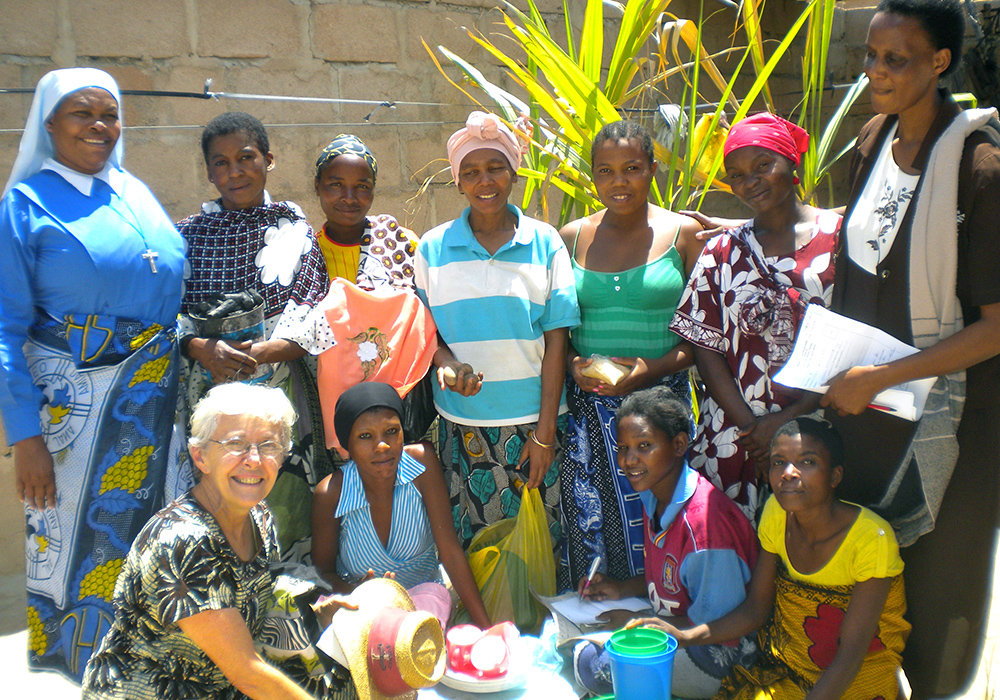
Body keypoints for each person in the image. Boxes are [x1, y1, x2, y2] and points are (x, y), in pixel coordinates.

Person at [820, 0, 1000, 692]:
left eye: (895, 59)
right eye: (870, 56)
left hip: (949, 420)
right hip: (868, 411)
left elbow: (993, 326)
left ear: (940, 63)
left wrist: (883, 376)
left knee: (937, 584)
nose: (875, 72)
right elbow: (862, 241)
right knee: (867, 571)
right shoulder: (874, 138)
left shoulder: (978, 168)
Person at [0, 67, 186, 681]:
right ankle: (84, 664)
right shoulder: (24, 208)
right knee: (78, 538)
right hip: (74, 413)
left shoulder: (133, 190)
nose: (99, 126)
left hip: (155, 400)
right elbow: (5, 329)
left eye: (109, 114)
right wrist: (24, 436)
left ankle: (153, 664)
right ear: (48, 123)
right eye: (82, 113)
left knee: (156, 535)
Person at [82, 383, 354, 699]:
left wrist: (317, 613)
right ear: (200, 456)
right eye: (235, 444)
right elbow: (248, 673)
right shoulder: (184, 543)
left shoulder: (258, 516)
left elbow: (251, 614)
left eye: (268, 446)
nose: (254, 459)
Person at [631, 418, 910, 700]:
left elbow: (851, 655)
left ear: (835, 476)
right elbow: (755, 609)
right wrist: (685, 637)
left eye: (807, 462)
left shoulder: (871, 539)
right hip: (789, 669)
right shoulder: (777, 513)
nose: (788, 473)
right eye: (778, 462)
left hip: (857, 680)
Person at [414, 111, 581, 550]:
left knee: (540, 548)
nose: (484, 181)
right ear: (458, 182)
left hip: (535, 425)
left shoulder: (545, 242)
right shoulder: (432, 248)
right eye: (470, 172)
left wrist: (545, 434)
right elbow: (425, 332)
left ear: (513, 174)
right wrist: (447, 364)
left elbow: (557, 341)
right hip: (462, 425)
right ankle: (486, 624)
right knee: (482, 546)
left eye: (495, 169)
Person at [669, 113, 841, 521]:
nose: (750, 182)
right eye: (738, 175)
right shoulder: (722, 251)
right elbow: (705, 348)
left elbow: (850, 340)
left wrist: (786, 421)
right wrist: (754, 429)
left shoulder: (839, 241)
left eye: (763, 166)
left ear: (791, 164)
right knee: (735, 554)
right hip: (735, 436)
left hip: (820, 424)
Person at [177, 112, 330, 561]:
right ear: (208, 172)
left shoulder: (295, 232)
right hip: (211, 398)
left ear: (269, 159)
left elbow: (315, 320)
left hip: (280, 396)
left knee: (282, 498)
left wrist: (262, 353)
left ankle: (284, 609)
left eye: (246, 158)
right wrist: (201, 348)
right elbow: (171, 317)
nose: (234, 171)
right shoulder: (187, 236)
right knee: (220, 501)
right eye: (220, 163)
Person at [558, 120, 704, 587]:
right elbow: (556, 330)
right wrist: (570, 366)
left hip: (663, 409)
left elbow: (703, 336)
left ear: (652, 170)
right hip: (590, 415)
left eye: (632, 168)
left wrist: (649, 370)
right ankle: (600, 632)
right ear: (593, 176)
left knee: (663, 517)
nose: (619, 182)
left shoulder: (683, 234)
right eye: (606, 170)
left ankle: (670, 627)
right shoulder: (572, 237)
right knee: (594, 524)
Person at [571, 386, 759, 699]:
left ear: (678, 444)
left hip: (719, 654)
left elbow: (716, 627)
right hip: (680, 629)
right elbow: (675, 580)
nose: (629, 460)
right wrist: (623, 588)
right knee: (586, 646)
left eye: (644, 446)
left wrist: (636, 622)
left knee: (590, 664)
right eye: (623, 447)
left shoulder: (704, 526)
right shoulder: (655, 495)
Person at [310, 382, 491, 629]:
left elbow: (449, 552)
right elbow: (322, 573)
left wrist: (486, 629)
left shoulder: (421, 464)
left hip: (426, 609)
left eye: (392, 431)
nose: (382, 445)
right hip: (362, 612)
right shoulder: (331, 493)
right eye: (365, 436)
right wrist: (358, 592)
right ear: (347, 445)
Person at [313, 134, 418, 290]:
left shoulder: (403, 242)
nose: (349, 198)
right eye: (336, 185)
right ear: (317, 186)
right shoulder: (310, 256)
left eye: (362, 187)